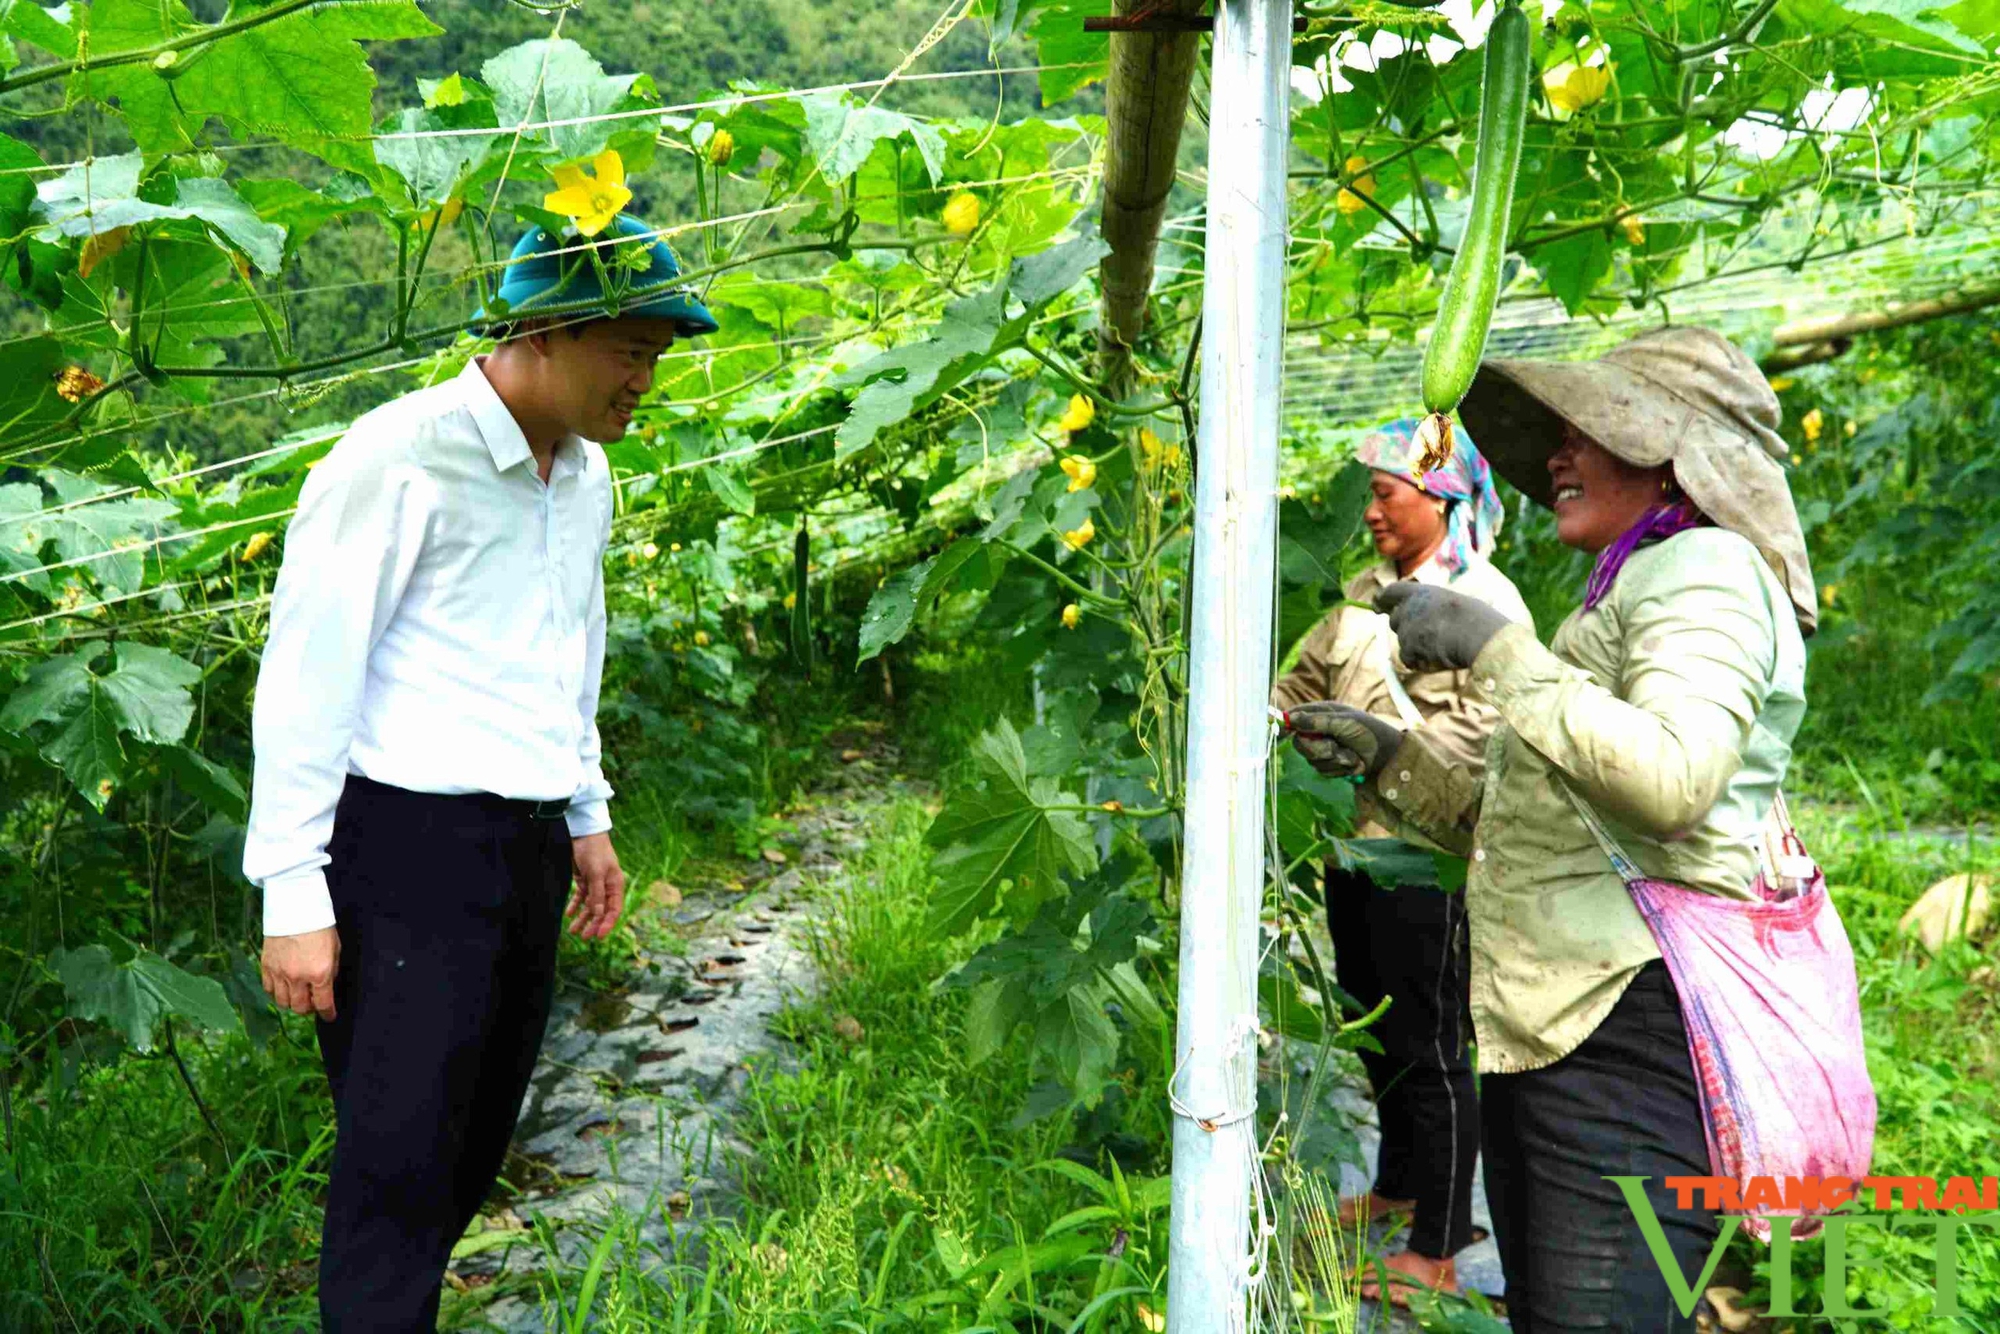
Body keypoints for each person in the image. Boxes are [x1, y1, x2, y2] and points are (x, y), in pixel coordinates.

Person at [1288, 325, 1818, 1332]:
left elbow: (1670, 779)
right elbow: (1538, 826)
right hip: (1568, 1024)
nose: (1555, 458)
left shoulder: (1702, 567)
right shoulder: (1638, 580)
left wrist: (1495, 651)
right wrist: (1387, 757)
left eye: (1583, 433)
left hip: (1625, 1027)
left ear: (1672, 449)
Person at [243, 215, 719, 1332]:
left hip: (523, 846)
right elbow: (308, 673)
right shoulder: (398, 456)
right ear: (544, 332)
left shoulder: (586, 474)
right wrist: (292, 889)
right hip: (403, 852)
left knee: (471, 1145)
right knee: (394, 1168)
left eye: (656, 354)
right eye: (632, 350)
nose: (645, 378)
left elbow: (571, 639)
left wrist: (586, 807)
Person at [1271, 418, 1531, 1304]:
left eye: (1386, 493)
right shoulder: (1361, 593)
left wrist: (1384, 747)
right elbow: (1305, 680)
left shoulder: (1486, 604)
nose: (1373, 511)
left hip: (1435, 861)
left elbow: (1494, 732)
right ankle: (1399, 1185)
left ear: (1442, 495)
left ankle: (1442, 1242)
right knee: (1376, 1026)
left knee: (1434, 1044)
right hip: (1359, 850)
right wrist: (1286, 716)